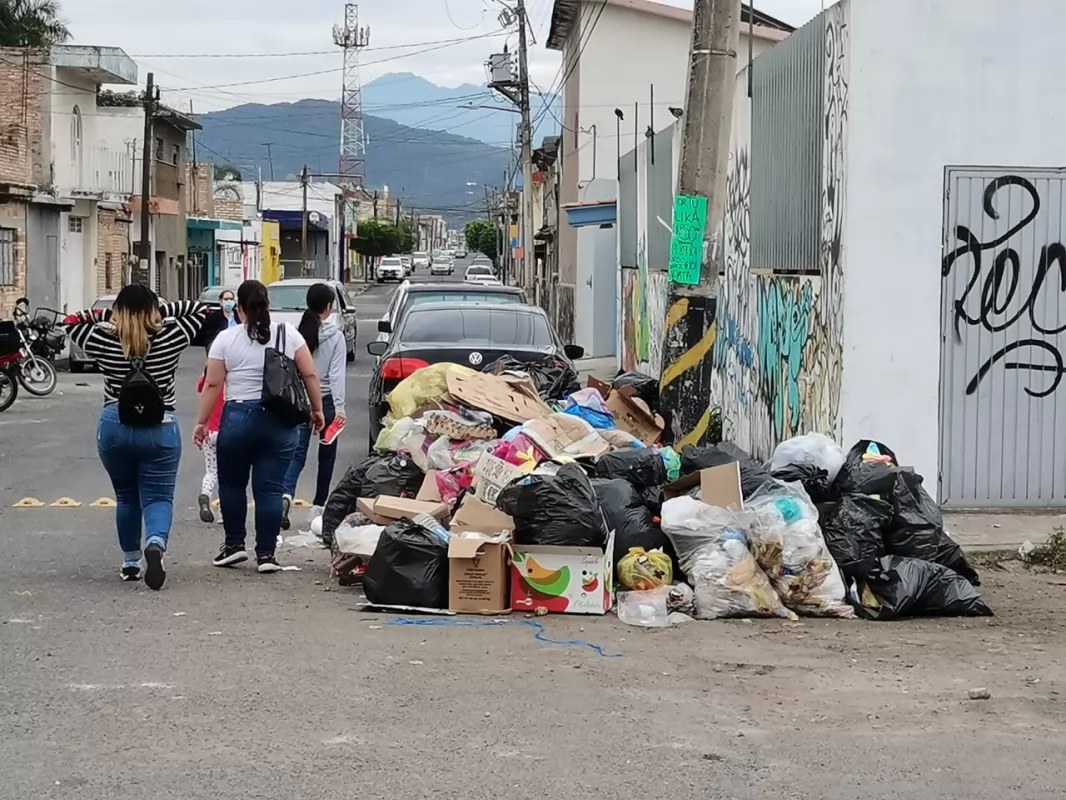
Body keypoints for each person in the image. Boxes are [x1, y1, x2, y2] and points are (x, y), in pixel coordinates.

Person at [63, 286, 207, 590]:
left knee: (126, 496)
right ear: (155, 309)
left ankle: (130, 562)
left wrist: (110, 316)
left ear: (118, 311)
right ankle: (155, 542)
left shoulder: (103, 339)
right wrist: (158, 314)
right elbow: (200, 310)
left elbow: (70, 321)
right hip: (160, 425)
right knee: (158, 497)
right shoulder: (172, 336)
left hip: (115, 423)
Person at [193, 279, 324, 573]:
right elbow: (309, 375)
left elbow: (213, 384)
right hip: (280, 420)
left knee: (232, 485)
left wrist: (201, 423)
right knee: (271, 490)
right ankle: (266, 555)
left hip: (238, 419)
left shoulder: (225, 339)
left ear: (238, 308)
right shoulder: (288, 334)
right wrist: (317, 411)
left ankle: (234, 546)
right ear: (268, 305)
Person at [280, 283, 347, 530]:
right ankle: (318, 507)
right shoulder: (336, 337)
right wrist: (340, 408)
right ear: (328, 307)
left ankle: (286, 495)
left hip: (300, 401)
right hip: (326, 401)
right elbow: (337, 375)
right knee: (327, 456)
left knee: (296, 454)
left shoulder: (296, 334)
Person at [195, 366, 225, 523]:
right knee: (228, 474)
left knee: (212, 471)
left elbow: (200, 387)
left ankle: (205, 493)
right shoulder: (230, 383)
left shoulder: (209, 383)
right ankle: (224, 512)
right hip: (227, 432)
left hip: (209, 431)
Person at [200, 288, 240, 353]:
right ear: (221, 301)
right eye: (226, 299)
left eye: (231, 299)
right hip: (221, 350)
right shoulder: (214, 318)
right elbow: (209, 339)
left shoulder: (239, 316)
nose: (229, 301)